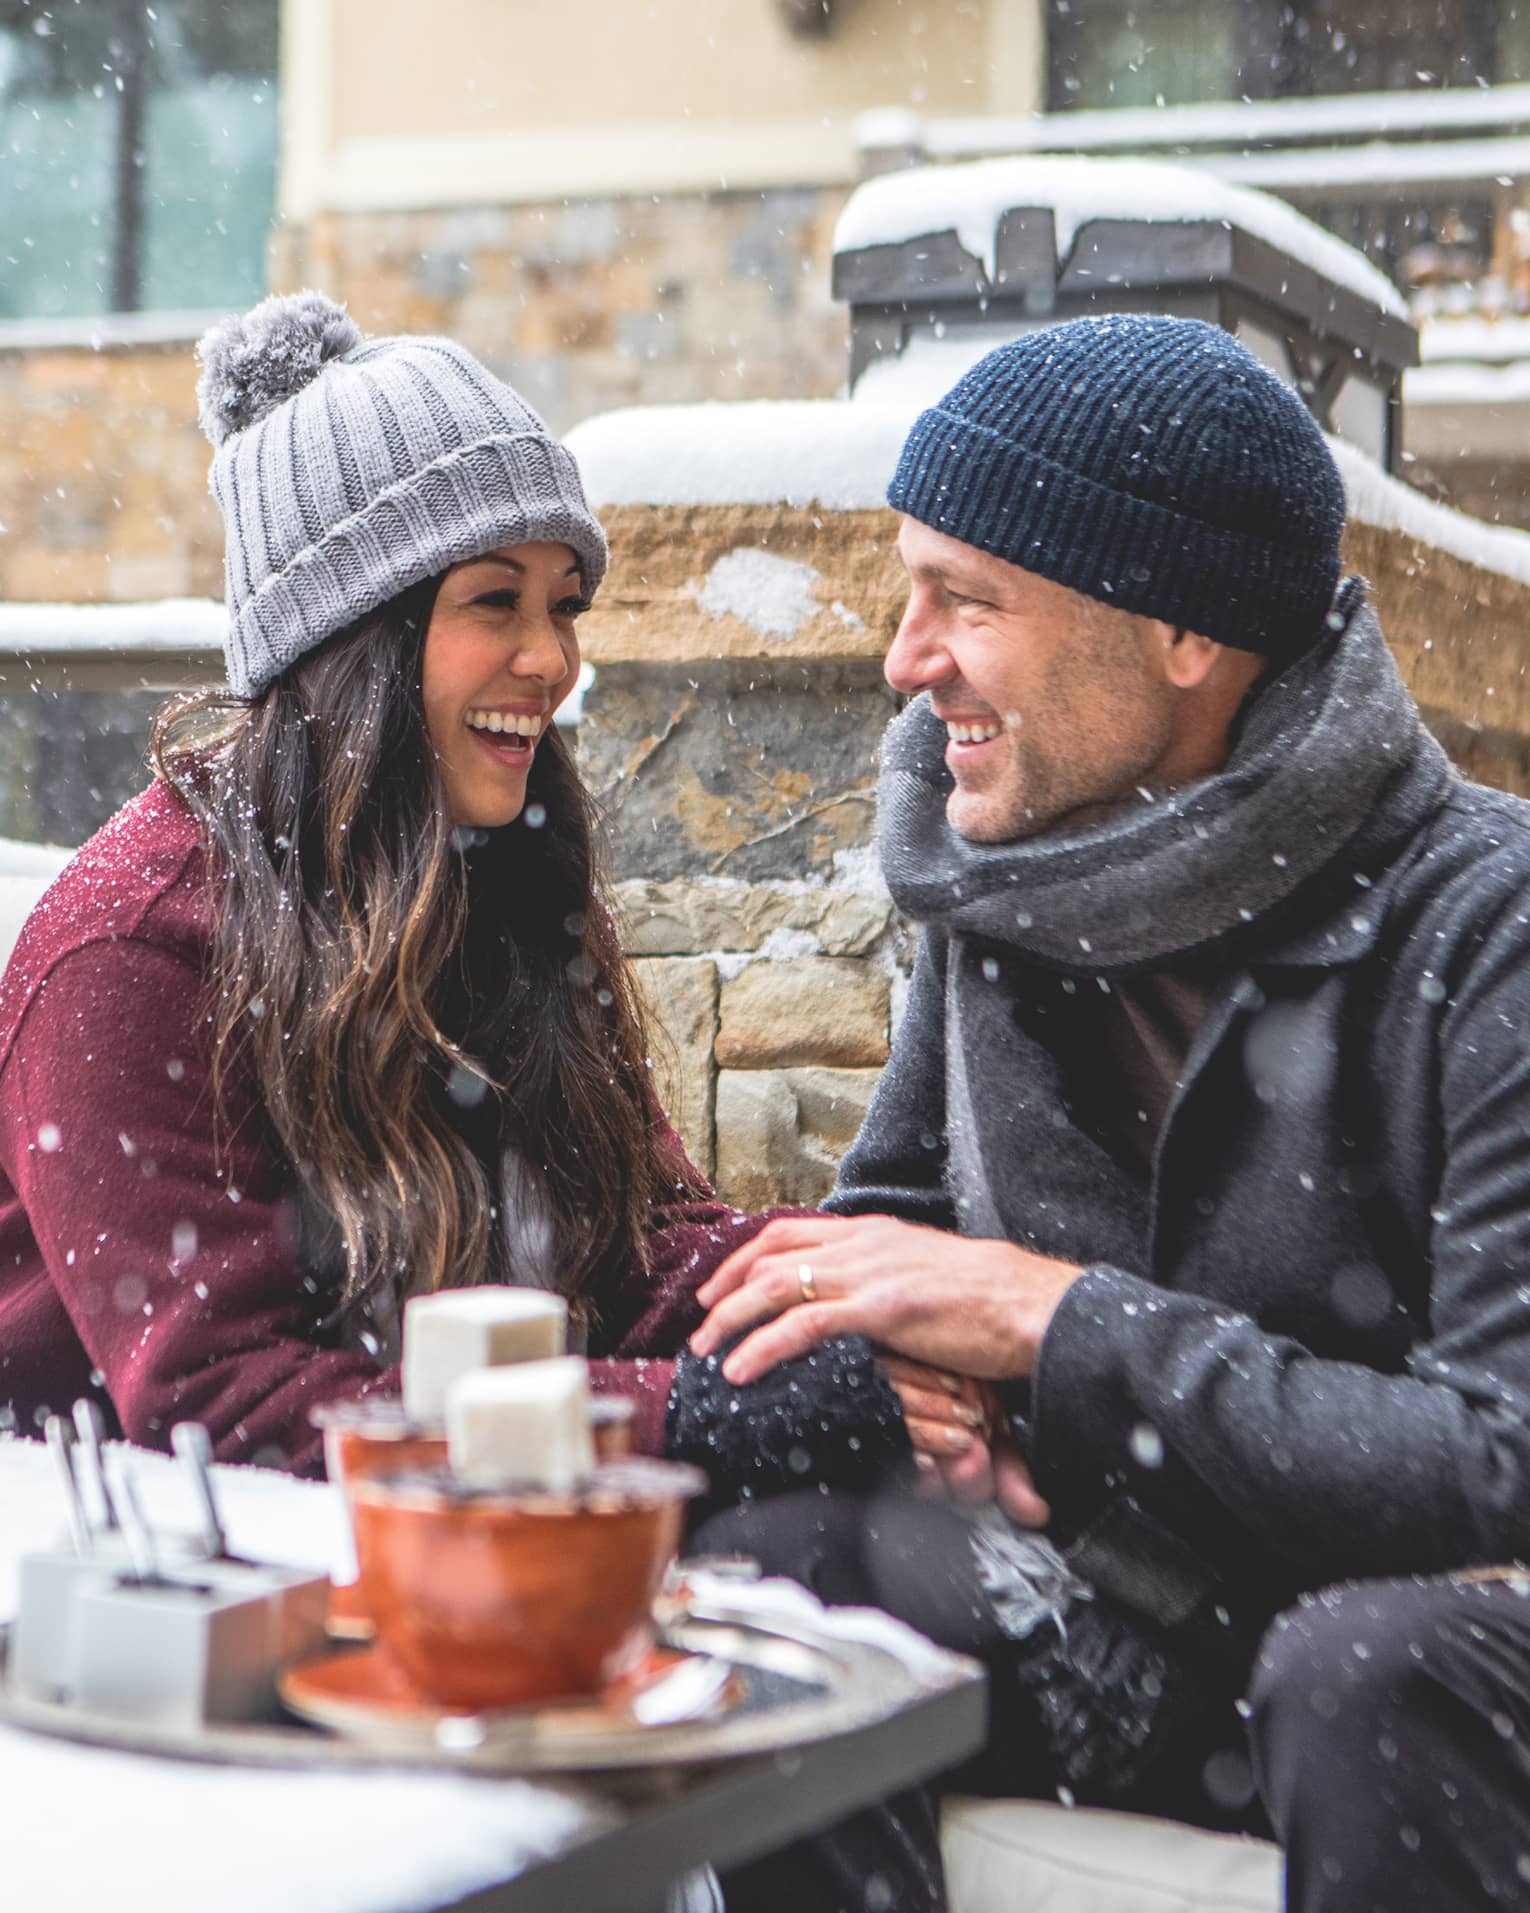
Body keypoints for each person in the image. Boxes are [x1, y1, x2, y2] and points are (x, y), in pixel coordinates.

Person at [686, 316, 1530, 1912]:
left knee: (1362, 1675)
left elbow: (1503, 1461)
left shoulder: (1489, 929)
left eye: (968, 600)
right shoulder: (996, 882)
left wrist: (1063, 1330)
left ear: (1183, 633)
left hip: (1405, 1657)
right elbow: (891, 1242)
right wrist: (904, 1372)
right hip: (1130, 1621)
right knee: (779, 1586)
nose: (902, 654)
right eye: (907, 584)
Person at [0, 290, 773, 1474]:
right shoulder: (131, 949)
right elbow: (229, 1400)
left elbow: (646, 1245)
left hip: (454, 1503)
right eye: (494, 601)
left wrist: (865, 1305)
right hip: (147, 1569)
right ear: (351, 641)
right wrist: (691, 1419)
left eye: (564, 605)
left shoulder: (506, 875)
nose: (553, 658)